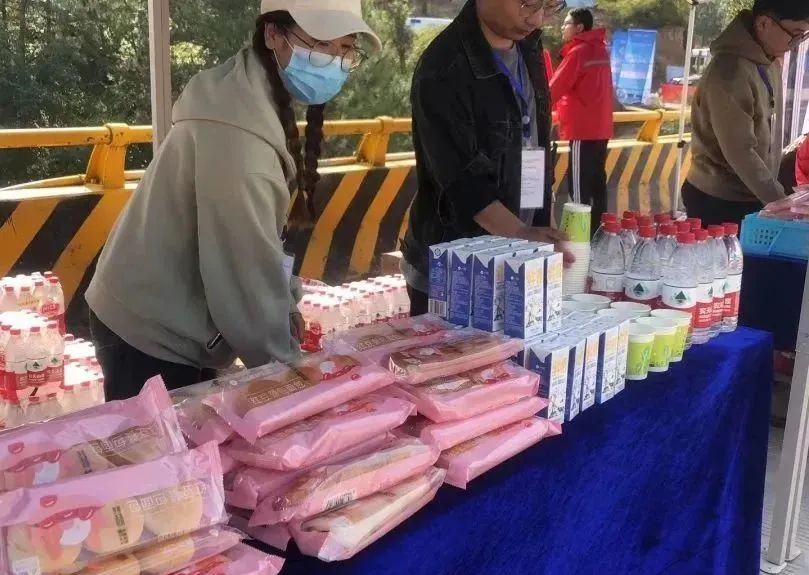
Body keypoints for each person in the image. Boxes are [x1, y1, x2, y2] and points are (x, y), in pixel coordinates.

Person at [85, 0, 380, 400]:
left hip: (171, 310)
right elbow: (245, 283)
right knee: (169, 441)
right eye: (321, 43)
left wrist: (286, 302)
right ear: (272, 34)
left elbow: (262, 242)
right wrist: (294, 379)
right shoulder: (240, 142)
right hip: (149, 331)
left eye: (345, 48)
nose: (334, 61)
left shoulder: (248, 88)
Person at [402, 0, 572, 315]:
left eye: (550, 6)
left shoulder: (528, 46)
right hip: (454, 268)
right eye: (528, 4)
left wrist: (543, 225)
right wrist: (521, 233)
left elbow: (534, 140)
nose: (537, 19)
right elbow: (460, 180)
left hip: (517, 256)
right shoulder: (443, 68)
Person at [683, 0, 809, 226]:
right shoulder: (729, 71)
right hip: (719, 199)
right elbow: (740, 151)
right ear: (764, 23)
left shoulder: (768, 63)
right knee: (727, 250)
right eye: (795, 34)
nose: (796, 44)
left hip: (753, 193)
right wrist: (780, 201)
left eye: (803, 37)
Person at [550, 8, 614, 234]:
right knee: (597, 184)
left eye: (566, 23)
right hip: (601, 129)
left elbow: (554, 89)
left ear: (579, 28)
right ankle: (598, 235)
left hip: (582, 130)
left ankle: (579, 240)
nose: (562, 27)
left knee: (578, 189)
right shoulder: (601, 51)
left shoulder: (578, 52)